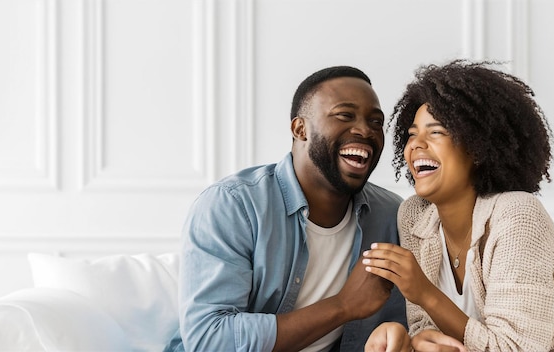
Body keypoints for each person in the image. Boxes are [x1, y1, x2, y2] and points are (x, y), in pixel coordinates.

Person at [163, 65, 407, 352]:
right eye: (345, 115)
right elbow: (210, 339)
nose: (365, 130)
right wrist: (342, 306)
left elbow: (400, 325)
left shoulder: (390, 215)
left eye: (376, 121)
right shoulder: (234, 206)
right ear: (299, 129)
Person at [362, 60, 554, 352]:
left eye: (435, 132)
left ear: (475, 147)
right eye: (412, 135)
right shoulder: (415, 215)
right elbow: (427, 327)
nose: (416, 145)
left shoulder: (518, 216)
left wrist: (424, 292)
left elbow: (515, 348)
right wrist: (409, 340)